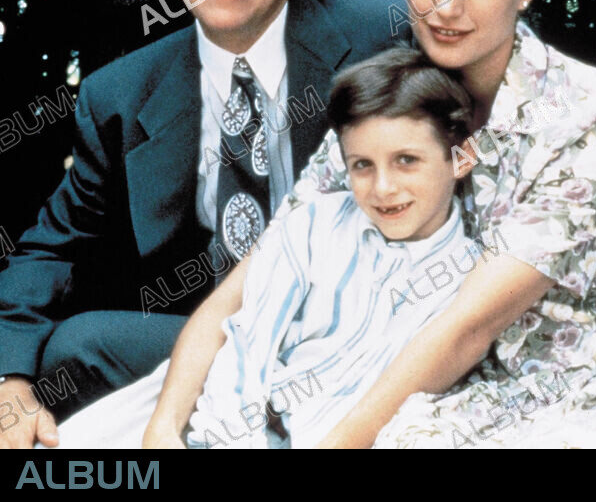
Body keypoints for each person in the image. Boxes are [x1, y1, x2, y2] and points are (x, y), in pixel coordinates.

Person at [0, 0, 596, 449]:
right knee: (98, 389)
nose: (445, 3)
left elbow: (531, 78)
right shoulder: (131, 92)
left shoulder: (432, 49)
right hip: (282, 337)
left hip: (490, 360)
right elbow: (71, 251)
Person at [47, 48, 488, 448]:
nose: (383, 188)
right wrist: (192, 434)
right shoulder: (316, 224)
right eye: (362, 166)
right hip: (229, 423)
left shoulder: (472, 280)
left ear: (461, 159)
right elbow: (246, 341)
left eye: (407, 161)